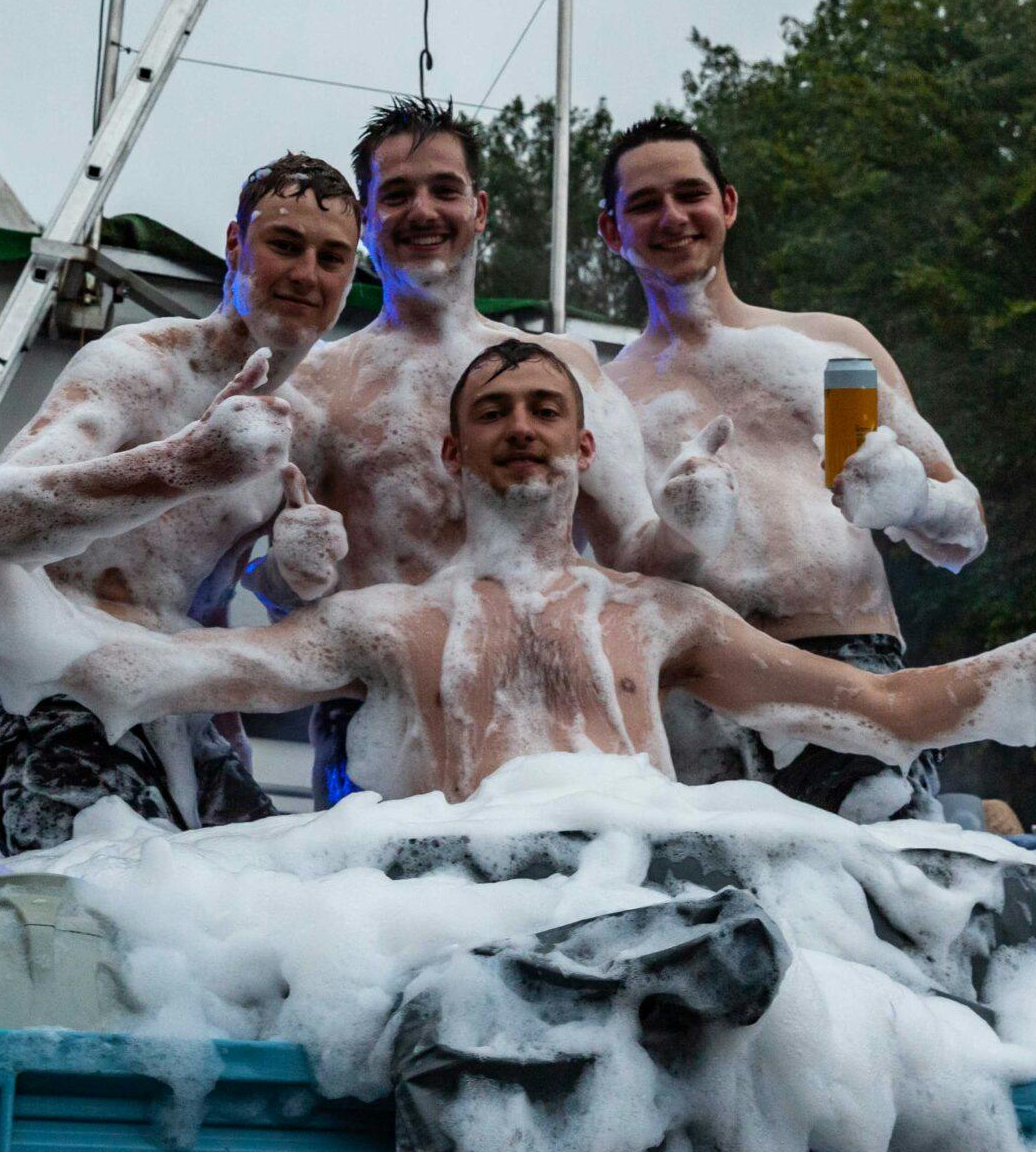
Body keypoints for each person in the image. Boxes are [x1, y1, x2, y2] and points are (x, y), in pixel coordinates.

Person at [0, 339, 1036, 806]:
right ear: (453, 454)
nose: (519, 424)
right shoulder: (390, 621)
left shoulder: (665, 613)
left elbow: (893, 709)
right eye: (491, 411)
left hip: (646, 887)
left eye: (542, 408)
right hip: (464, 911)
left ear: (580, 442)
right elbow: (142, 670)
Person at [271, 99, 737, 800]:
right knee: (380, 911)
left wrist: (691, 530)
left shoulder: (563, 371)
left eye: (444, 189)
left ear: (480, 208)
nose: (423, 209)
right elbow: (279, 596)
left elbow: (637, 559)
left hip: (554, 702)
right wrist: (291, 568)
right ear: (366, 223)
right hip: (381, 718)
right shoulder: (320, 386)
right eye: (396, 194)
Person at [0, 153, 363, 853]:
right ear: (236, 245)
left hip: (174, 707)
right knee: (100, 906)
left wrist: (292, 578)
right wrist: (185, 464)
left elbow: (203, 609)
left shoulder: (300, 430)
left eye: (332, 257)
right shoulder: (138, 366)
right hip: (51, 681)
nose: (306, 275)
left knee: (271, 900)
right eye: (285, 246)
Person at [598, 115, 992, 819]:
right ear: (611, 231)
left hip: (850, 675)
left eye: (690, 193)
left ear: (728, 204)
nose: (672, 216)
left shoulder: (830, 347)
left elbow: (965, 532)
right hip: (696, 692)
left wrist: (912, 501)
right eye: (644, 204)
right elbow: (605, 570)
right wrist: (683, 534)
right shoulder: (609, 397)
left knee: (885, 907)